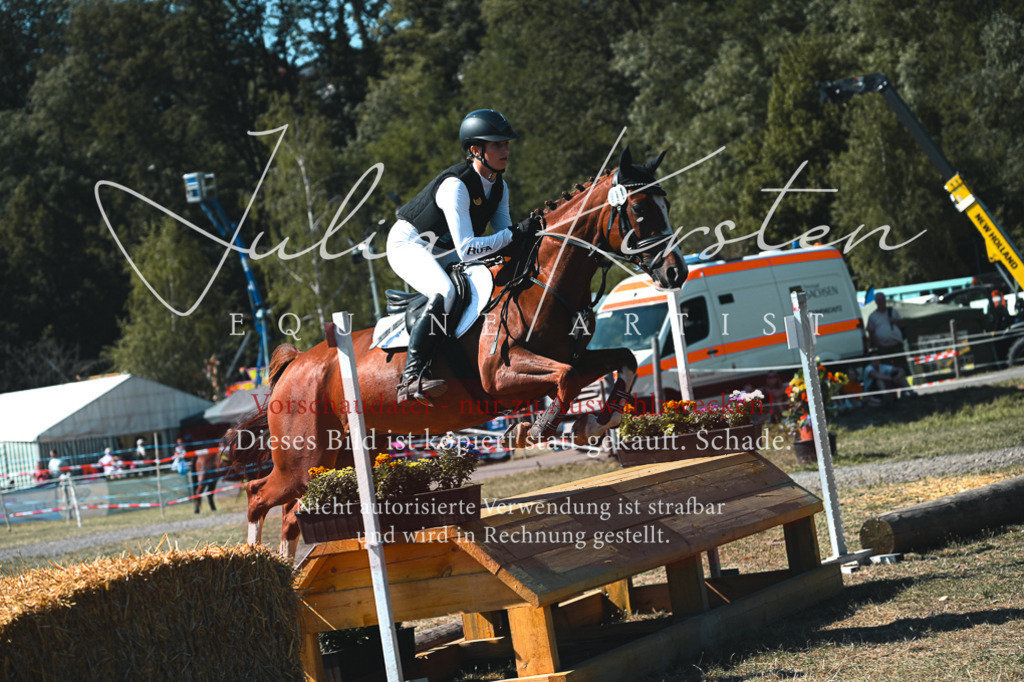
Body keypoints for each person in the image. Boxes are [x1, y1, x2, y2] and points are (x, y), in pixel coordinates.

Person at [386, 109, 542, 405]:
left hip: (445, 250)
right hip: (408, 244)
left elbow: (503, 237)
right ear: (476, 150)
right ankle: (411, 376)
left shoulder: (499, 186)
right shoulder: (456, 186)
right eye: (497, 145)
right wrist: (513, 234)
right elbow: (470, 248)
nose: (505, 150)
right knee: (444, 291)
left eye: (506, 144)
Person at [866, 292, 908, 373]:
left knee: (902, 368)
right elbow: (871, 333)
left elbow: (902, 323)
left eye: (882, 299)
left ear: (885, 300)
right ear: (876, 302)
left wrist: (894, 320)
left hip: (896, 345)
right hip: (883, 348)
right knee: (888, 369)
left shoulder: (892, 311)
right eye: (879, 300)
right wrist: (877, 344)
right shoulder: (872, 316)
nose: (881, 301)